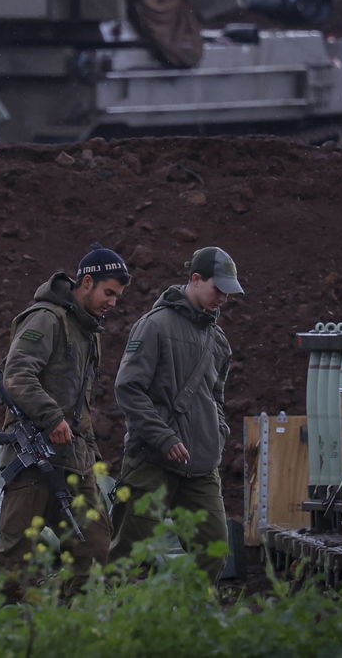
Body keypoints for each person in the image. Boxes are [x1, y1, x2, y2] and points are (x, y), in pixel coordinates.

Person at [0, 243, 130, 592]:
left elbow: (82, 407)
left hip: (73, 461)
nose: (113, 302)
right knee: (14, 557)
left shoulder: (88, 332)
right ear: (86, 282)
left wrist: (92, 456)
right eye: (109, 293)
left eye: (118, 296)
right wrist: (52, 418)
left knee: (93, 550)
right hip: (34, 462)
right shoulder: (46, 319)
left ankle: (69, 628)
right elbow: (18, 375)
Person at [109, 246, 240, 580]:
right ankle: (106, 624)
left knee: (213, 551)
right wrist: (163, 437)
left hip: (200, 467)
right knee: (126, 557)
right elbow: (128, 388)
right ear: (196, 279)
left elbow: (217, 398)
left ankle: (184, 624)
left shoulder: (219, 341)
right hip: (152, 461)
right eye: (218, 289)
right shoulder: (154, 326)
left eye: (229, 292)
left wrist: (217, 435)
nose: (224, 298)